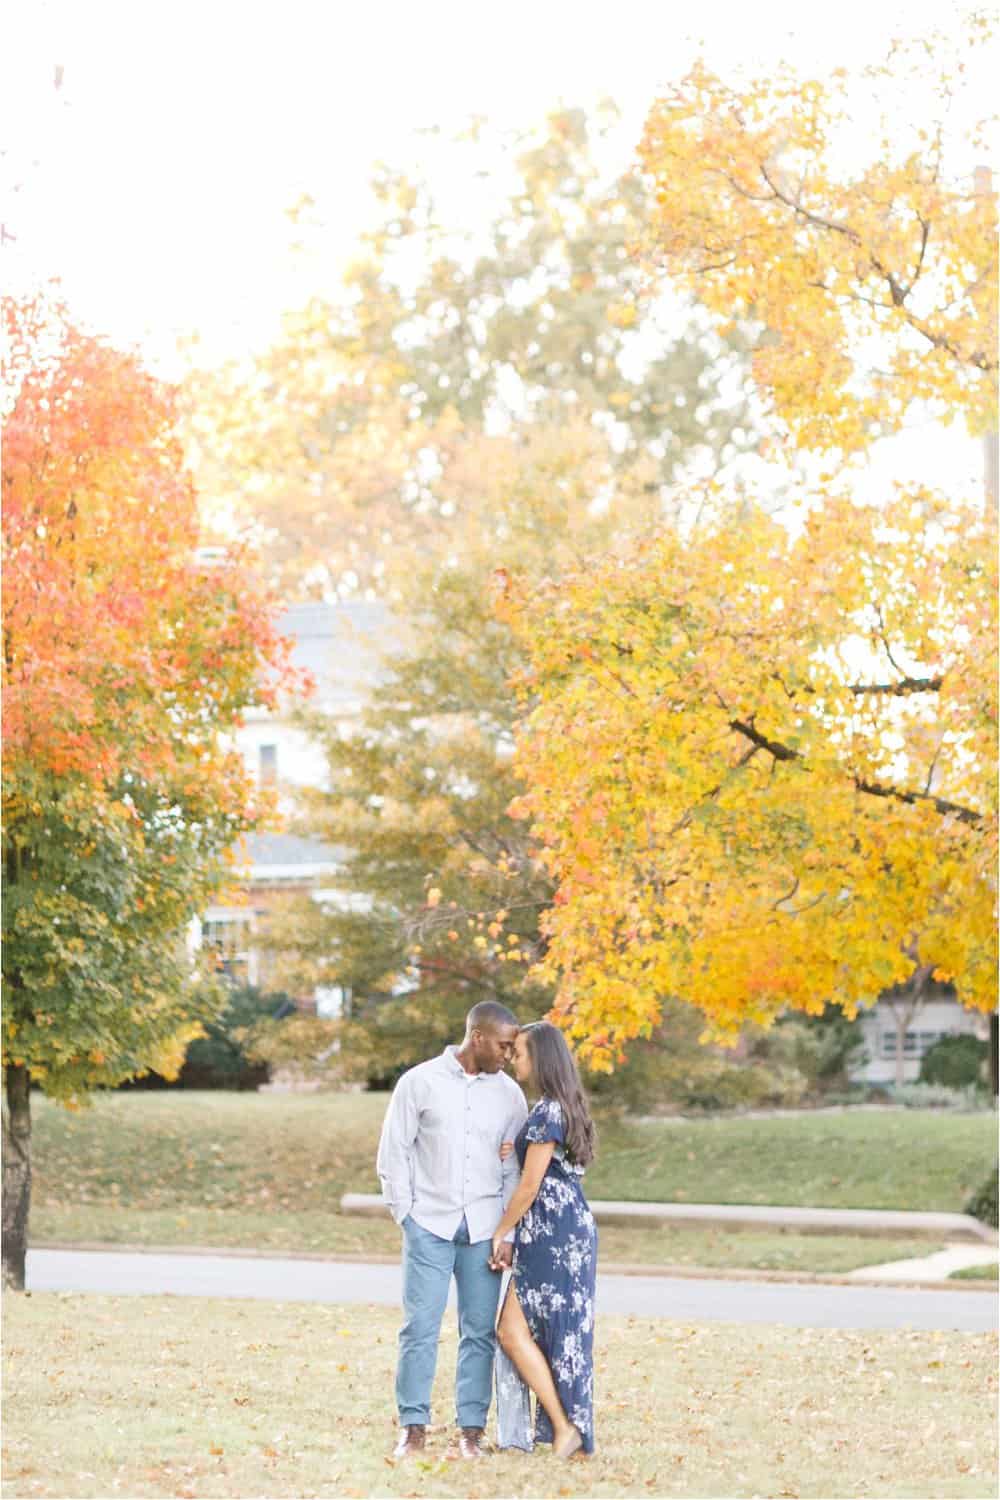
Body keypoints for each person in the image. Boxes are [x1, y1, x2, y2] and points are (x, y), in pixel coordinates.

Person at [376, 1001, 528, 1460]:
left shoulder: (510, 1096)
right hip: (429, 1225)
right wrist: (407, 1214)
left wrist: (507, 1233)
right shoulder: (419, 1082)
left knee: (479, 1331)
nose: (509, 1054)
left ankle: (470, 1433)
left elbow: (513, 1170)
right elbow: (394, 1152)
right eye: (504, 1045)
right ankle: (413, 1428)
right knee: (419, 1327)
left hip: (484, 1229)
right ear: (477, 1037)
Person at [490, 1020, 598, 1458]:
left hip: (552, 1233)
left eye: (520, 1051)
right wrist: (513, 1147)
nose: (514, 1057)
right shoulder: (557, 1108)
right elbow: (546, 1163)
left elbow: (531, 1185)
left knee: (515, 1331)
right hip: (562, 1231)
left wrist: (501, 1230)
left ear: (542, 1058)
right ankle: (565, 1427)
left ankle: (565, 1426)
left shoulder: (548, 1111)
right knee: (528, 1331)